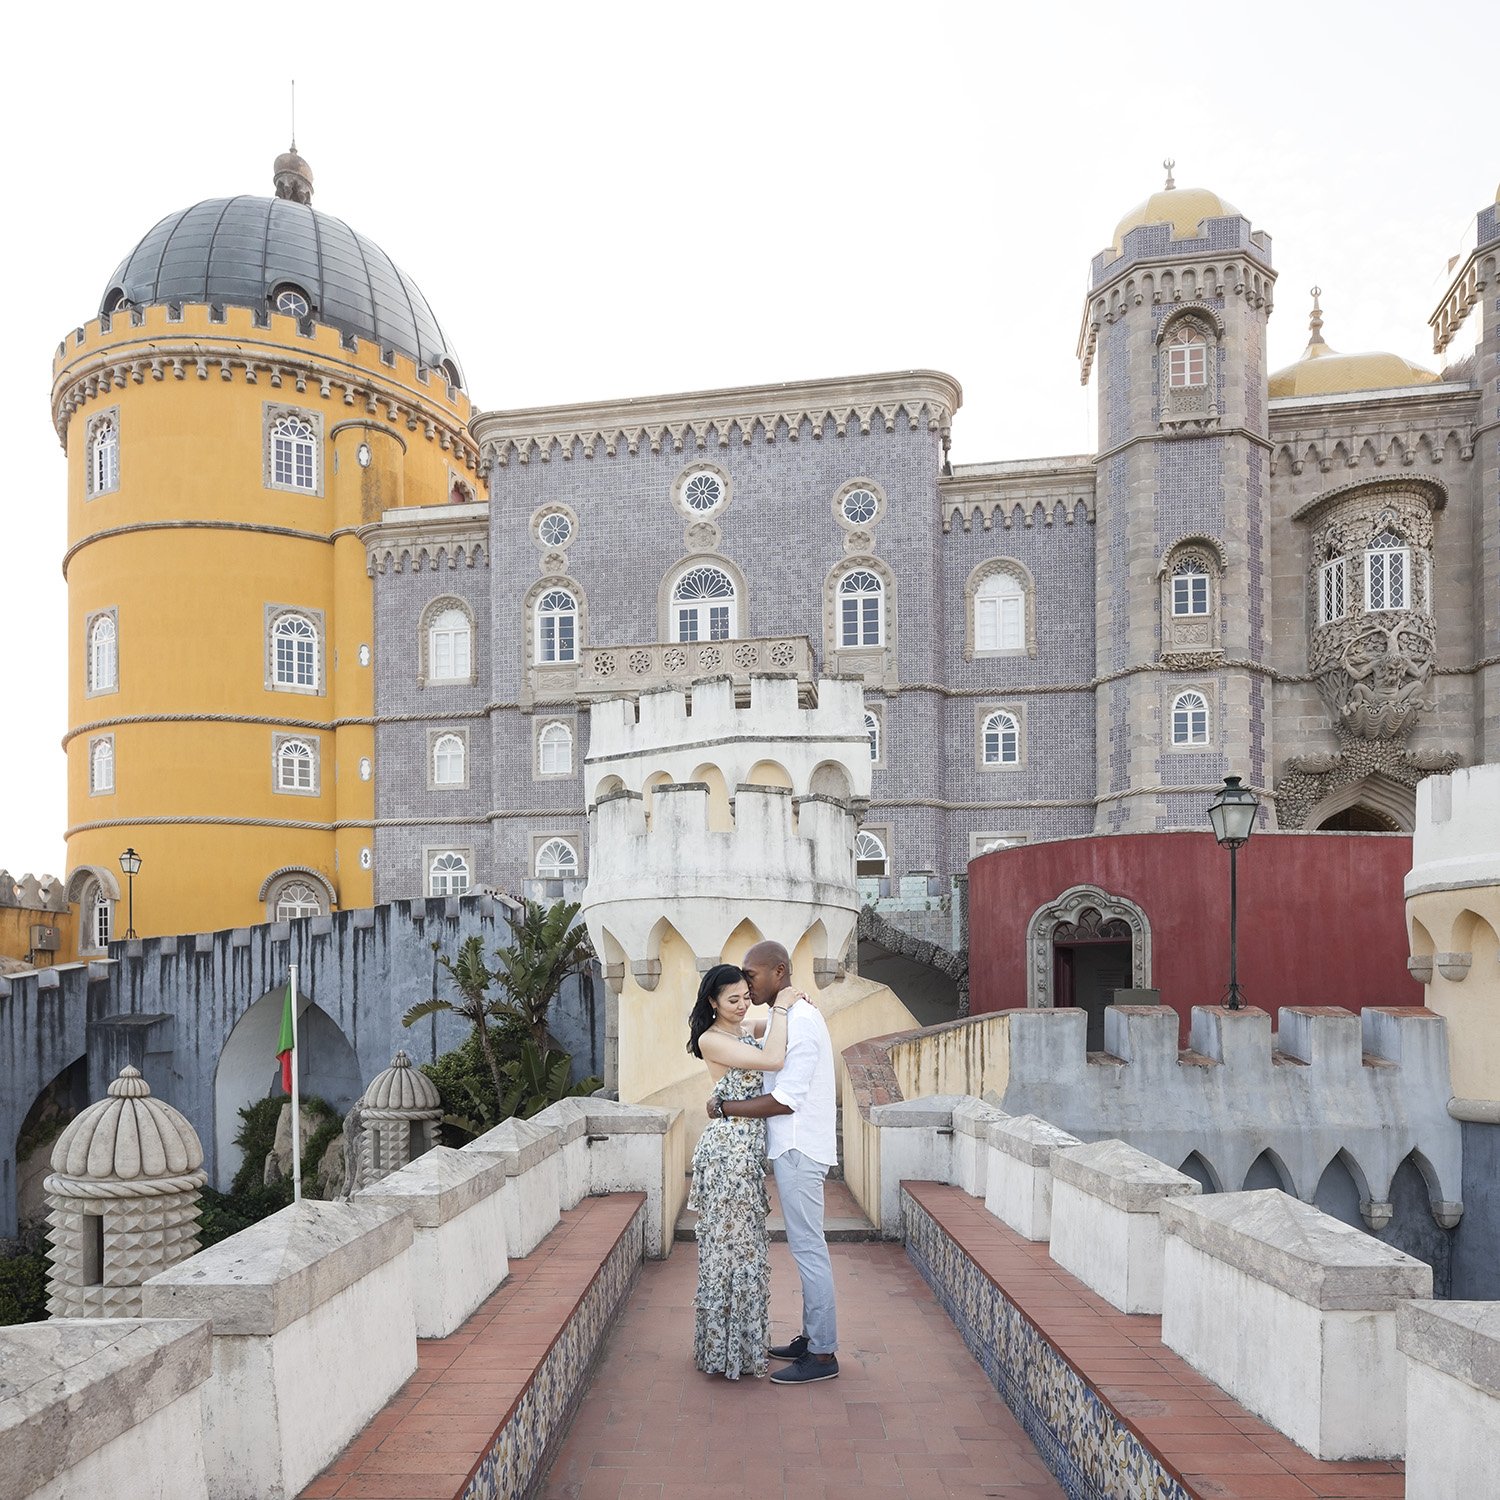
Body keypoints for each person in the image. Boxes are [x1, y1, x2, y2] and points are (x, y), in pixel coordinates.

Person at [706, 939, 839, 1384]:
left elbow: (784, 1099)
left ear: (778, 972)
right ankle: (810, 1337)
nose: (746, 983)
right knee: (806, 1247)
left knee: (808, 1248)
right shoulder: (794, 1015)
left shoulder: (800, 1022)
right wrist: (781, 1006)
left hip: (797, 1147)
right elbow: (750, 1033)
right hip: (793, 1147)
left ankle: (822, 1355)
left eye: (751, 975)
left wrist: (725, 1109)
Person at [686, 962, 792, 1379]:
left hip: (743, 1156)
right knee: (731, 1254)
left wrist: (785, 1009)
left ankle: (739, 1348)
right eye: (733, 1000)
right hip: (728, 1157)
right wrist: (782, 1006)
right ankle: (724, 1353)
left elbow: (764, 1032)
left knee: (743, 1252)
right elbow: (775, 1058)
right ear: (712, 1002)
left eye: (746, 997)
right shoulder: (713, 1039)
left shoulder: (739, 1031)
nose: (743, 1005)